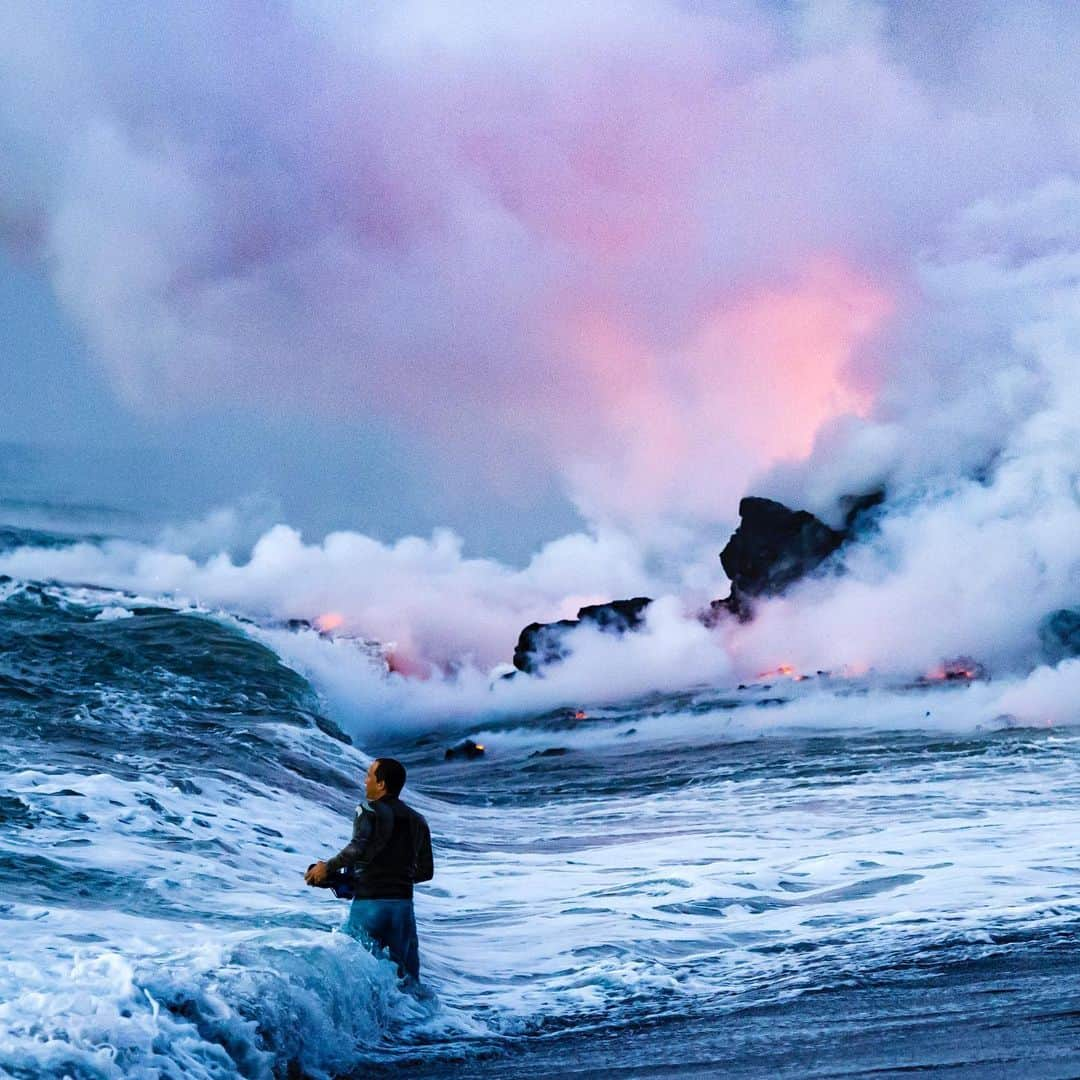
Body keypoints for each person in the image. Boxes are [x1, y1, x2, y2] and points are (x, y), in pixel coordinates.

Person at [305, 758, 433, 981]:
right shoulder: (418, 820)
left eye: (369, 776)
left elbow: (358, 847)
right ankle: (413, 1015)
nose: (365, 782)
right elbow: (426, 872)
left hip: (370, 905)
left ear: (381, 784)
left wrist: (327, 868)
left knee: (354, 969)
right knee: (407, 979)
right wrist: (394, 879)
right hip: (402, 909)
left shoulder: (368, 809)